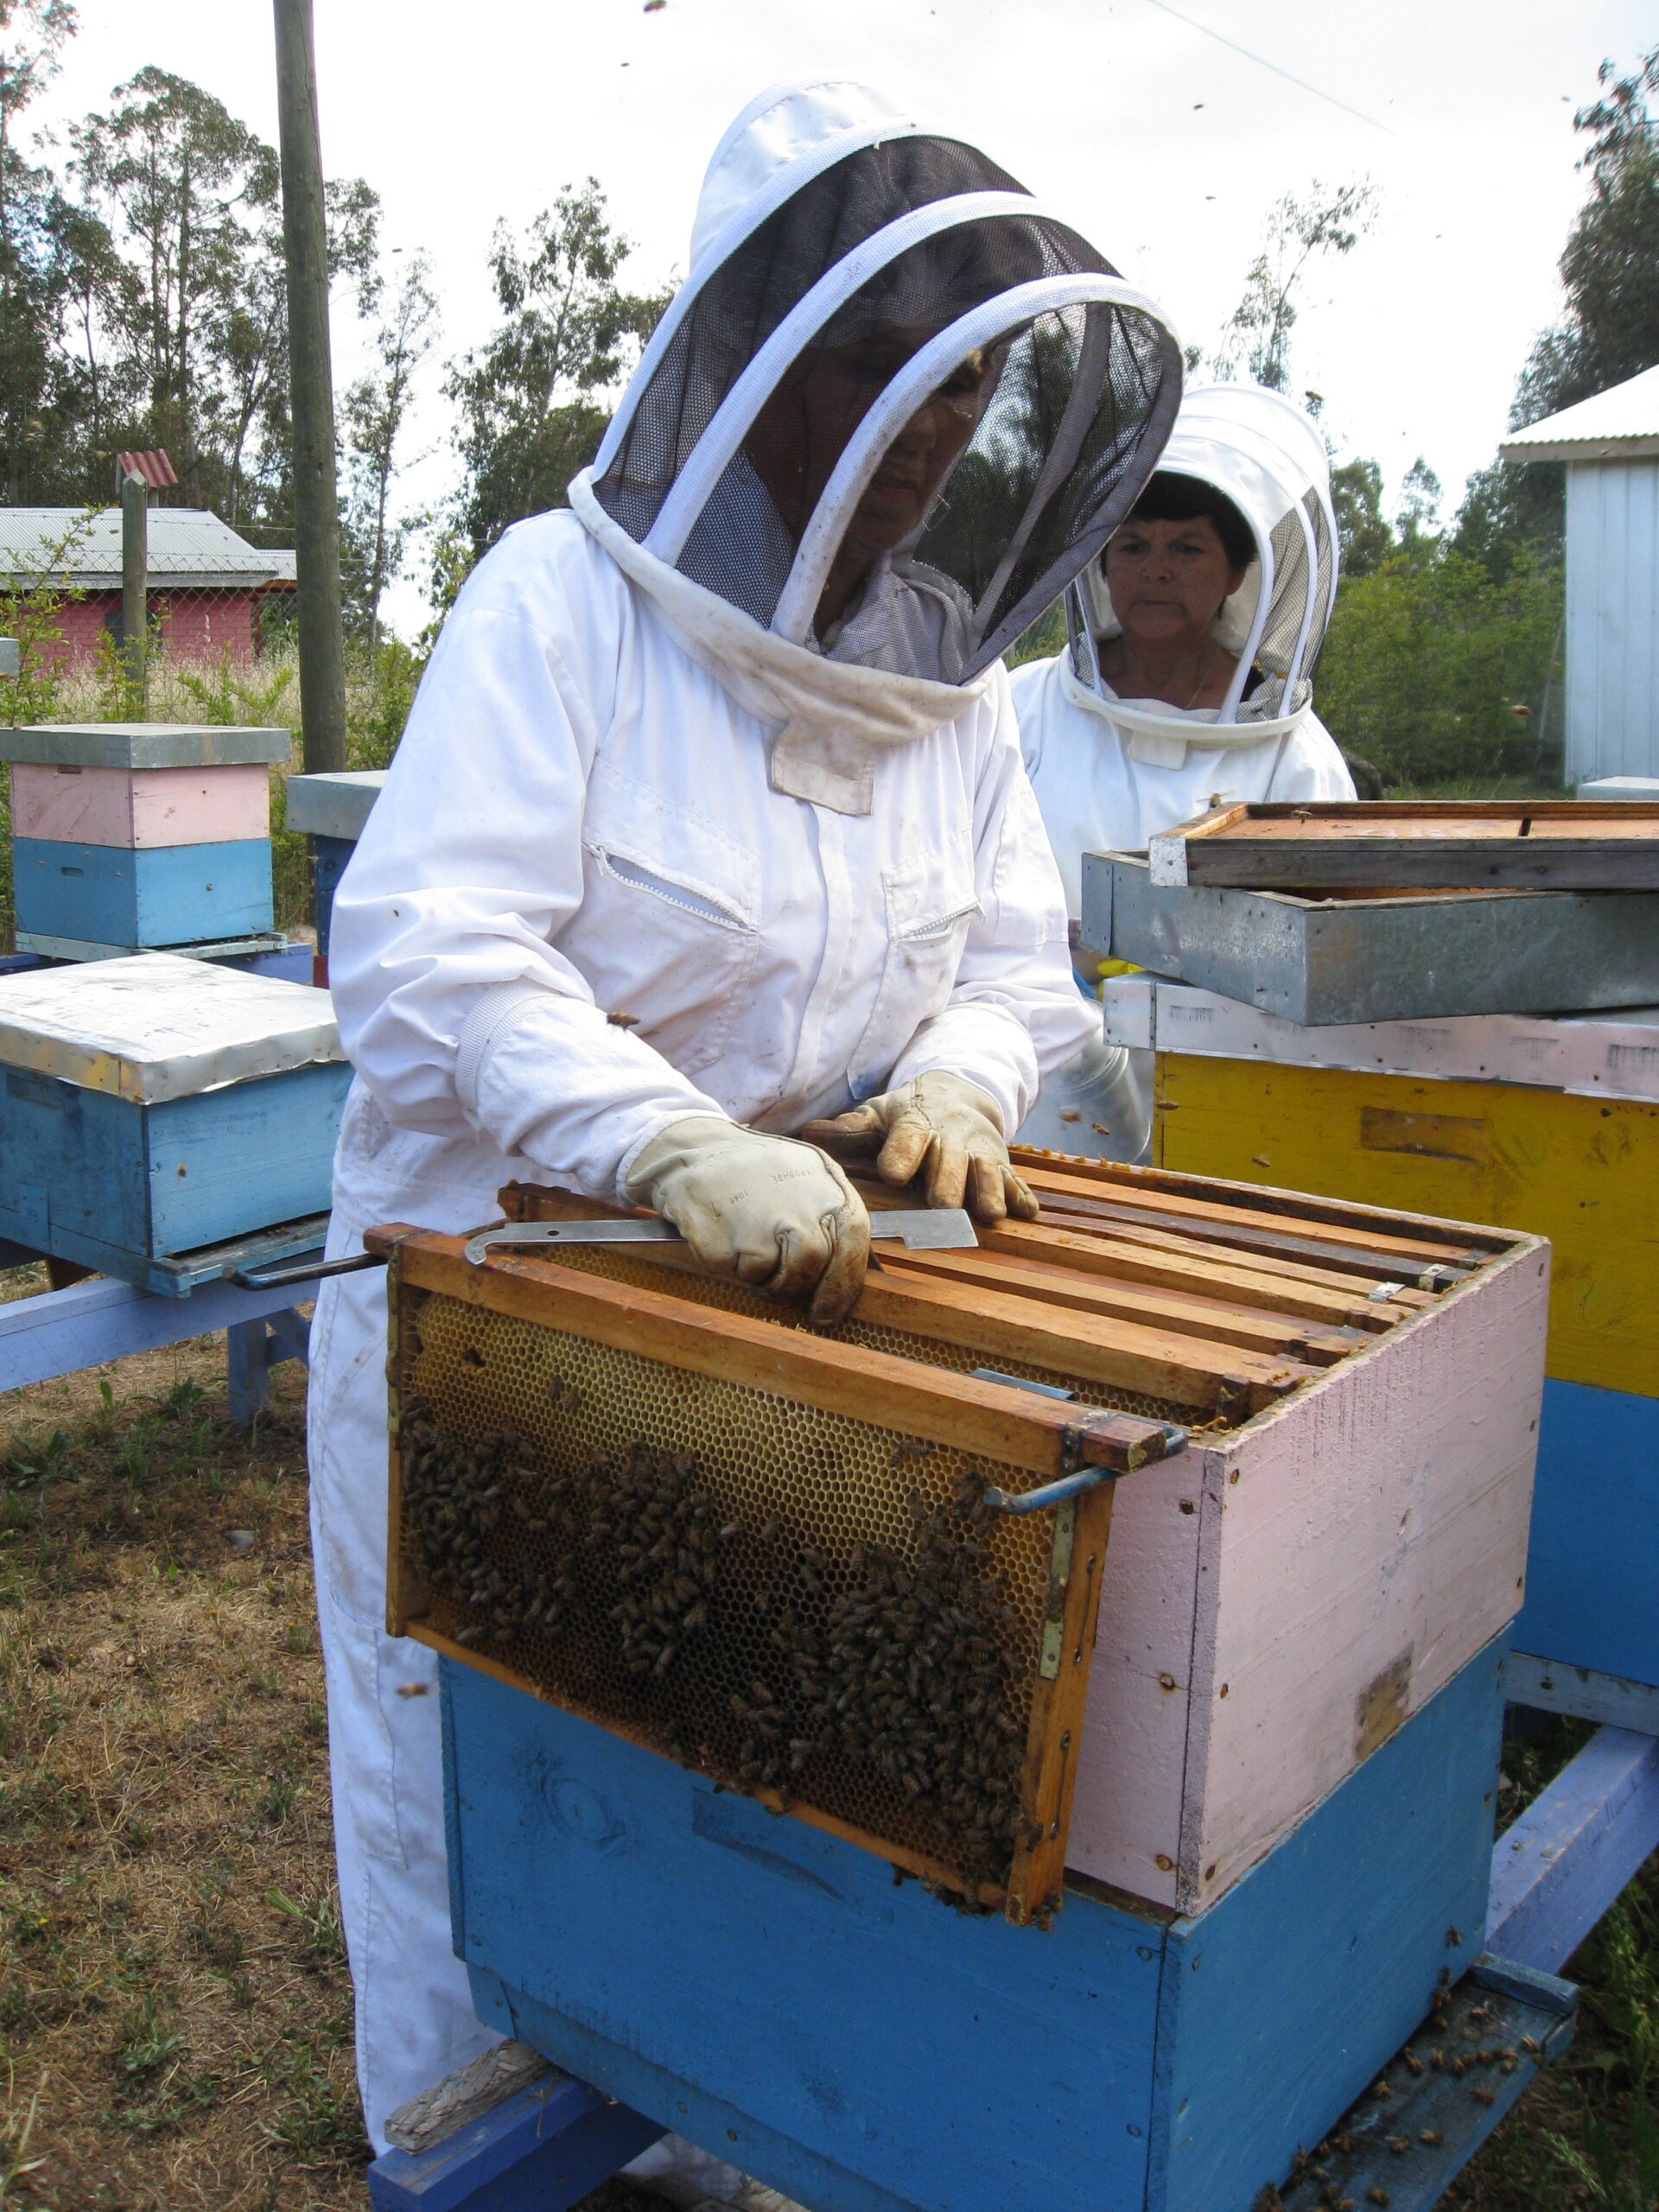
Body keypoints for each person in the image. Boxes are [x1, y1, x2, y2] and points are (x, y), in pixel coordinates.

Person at [307, 76, 1180, 2205]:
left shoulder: (950, 688)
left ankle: (699, 2115)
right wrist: (663, 1138)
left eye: (973, 379)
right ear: (762, 351)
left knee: (735, 1752)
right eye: (895, 364)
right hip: (499, 1298)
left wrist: (970, 1067)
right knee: (469, 1754)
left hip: (794, 1322)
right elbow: (423, 942)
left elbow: (1010, 948)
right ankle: (460, 2138)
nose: (942, 425)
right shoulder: (556, 608)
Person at [1009, 382, 1356, 1158]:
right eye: (1132, 547)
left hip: (1226, 1096)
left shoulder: (1295, 758)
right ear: (1100, 567)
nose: (1155, 572)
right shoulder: (1020, 710)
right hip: (1029, 1091)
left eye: (1187, 549)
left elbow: (1318, 953)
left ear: (1239, 572)